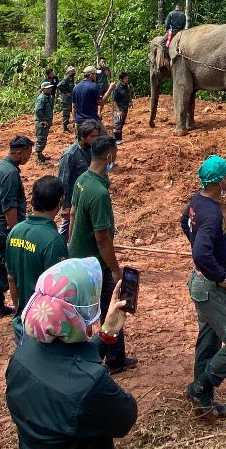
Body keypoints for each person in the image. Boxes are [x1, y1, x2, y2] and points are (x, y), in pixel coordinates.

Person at [6, 258, 137, 449]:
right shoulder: (90, 384)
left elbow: (69, 360)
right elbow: (125, 417)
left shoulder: (22, 355)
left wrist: (106, 334)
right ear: (82, 309)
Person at [180, 155, 226, 418]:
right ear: (221, 180)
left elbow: (184, 222)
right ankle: (201, 387)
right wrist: (221, 276)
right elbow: (201, 253)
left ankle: (203, 402)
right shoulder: (211, 213)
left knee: (209, 339)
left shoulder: (198, 201)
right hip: (211, 287)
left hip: (200, 283)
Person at [69, 135, 137, 374]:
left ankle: (91, 355)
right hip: (95, 263)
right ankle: (113, 359)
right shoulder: (98, 193)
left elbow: (73, 213)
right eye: (114, 157)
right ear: (109, 157)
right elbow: (102, 238)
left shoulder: (82, 180)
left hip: (77, 256)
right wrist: (115, 268)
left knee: (83, 309)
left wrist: (70, 244)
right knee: (113, 305)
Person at [6, 176, 68, 345]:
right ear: (60, 200)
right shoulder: (54, 241)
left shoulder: (15, 232)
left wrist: (22, 311)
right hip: (44, 329)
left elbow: (11, 278)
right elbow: (59, 293)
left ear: (32, 199)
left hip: (22, 324)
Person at [0, 136, 34, 320]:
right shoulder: (10, 174)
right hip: (6, 228)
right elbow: (10, 207)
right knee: (15, 268)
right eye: (28, 153)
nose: (29, 157)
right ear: (19, 153)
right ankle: (21, 308)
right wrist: (16, 234)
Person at [58, 119, 102, 240]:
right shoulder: (70, 155)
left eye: (97, 136)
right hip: (74, 200)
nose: (95, 139)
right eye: (92, 136)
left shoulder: (93, 150)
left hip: (88, 198)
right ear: (83, 137)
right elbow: (63, 181)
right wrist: (65, 206)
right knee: (67, 228)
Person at [72, 66, 102, 131]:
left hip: (79, 121)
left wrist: (74, 120)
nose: (96, 76)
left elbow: (74, 106)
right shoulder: (94, 86)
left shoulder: (76, 87)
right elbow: (100, 102)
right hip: (91, 121)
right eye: (95, 74)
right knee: (103, 138)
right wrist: (110, 90)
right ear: (91, 75)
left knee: (80, 140)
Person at [34, 81, 55, 164]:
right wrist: (43, 120)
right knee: (41, 139)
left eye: (50, 87)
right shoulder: (42, 98)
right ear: (43, 89)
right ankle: (39, 157)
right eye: (48, 88)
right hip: (42, 123)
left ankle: (40, 154)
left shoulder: (48, 97)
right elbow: (38, 110)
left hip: (46, 122)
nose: (50, 89)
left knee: (43, 139)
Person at [110, 72, 131, 145]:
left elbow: (128, 94)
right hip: (119, 108)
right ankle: (116, 139)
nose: (127, 80)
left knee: (122, 123)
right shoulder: (117, 88)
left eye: (127, 78)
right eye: (125, 78)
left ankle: (119, 138)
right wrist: (118, 111)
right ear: (121, 79)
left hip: (125, 107)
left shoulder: (127, 86)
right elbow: (113, 101)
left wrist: (130, 101)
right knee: (118, 123)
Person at [59, 66, 76, 133]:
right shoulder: (66, 78)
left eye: (74, 71)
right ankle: (65, 128)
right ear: (69, 72)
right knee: (66, 114)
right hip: (66, 100)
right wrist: (66, 93)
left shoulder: (71, 79)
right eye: (72, 71)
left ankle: (74, 126)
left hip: (71, 99)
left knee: (74, 112)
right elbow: (59, 85)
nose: (73, 72)